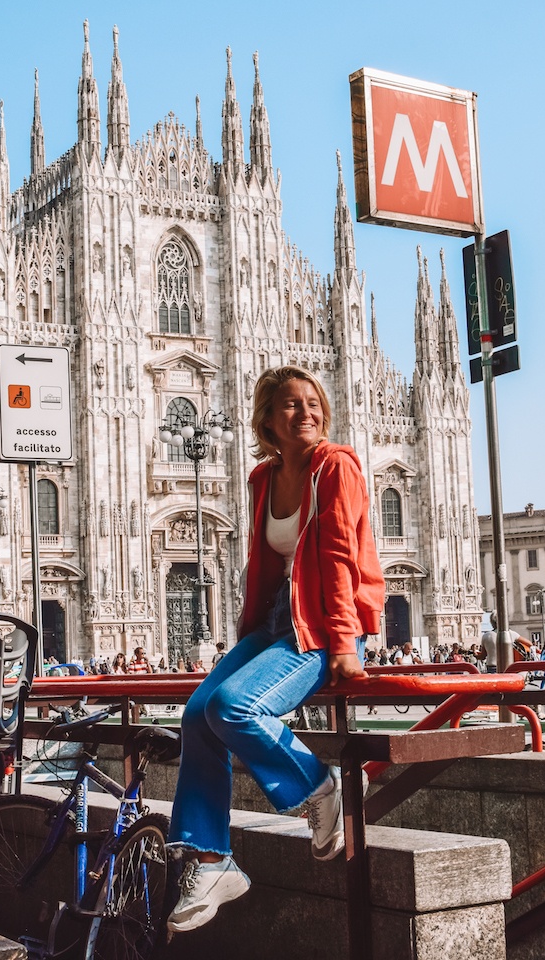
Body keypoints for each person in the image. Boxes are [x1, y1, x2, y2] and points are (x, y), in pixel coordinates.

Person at [165, 365, 385, 934]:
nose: (306, 412)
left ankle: (317, 784)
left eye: (313, 402)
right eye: (291, 404)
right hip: (273, 624)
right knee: (196, 714)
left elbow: (338, 557)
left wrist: (343, 642)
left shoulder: (337, 467)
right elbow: (264, 565)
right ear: (267, 420)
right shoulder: (263, 478)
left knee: (233, 708)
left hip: (319, 626)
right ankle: (213, 861)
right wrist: (245, 640)